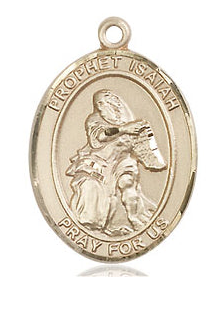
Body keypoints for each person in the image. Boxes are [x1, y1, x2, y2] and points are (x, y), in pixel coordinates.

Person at [66, 89, 166, 236]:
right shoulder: (94, 119)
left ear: (114, 103)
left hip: (122, 161)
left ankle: (136, 219)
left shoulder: (127, 119)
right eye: (98, 104)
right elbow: (101, 136)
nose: (100, 107)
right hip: (98, 161)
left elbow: (141, 145)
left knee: (127, 182)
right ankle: (94, 223)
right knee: (91, 190)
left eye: (103, 102)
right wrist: (124, 129)